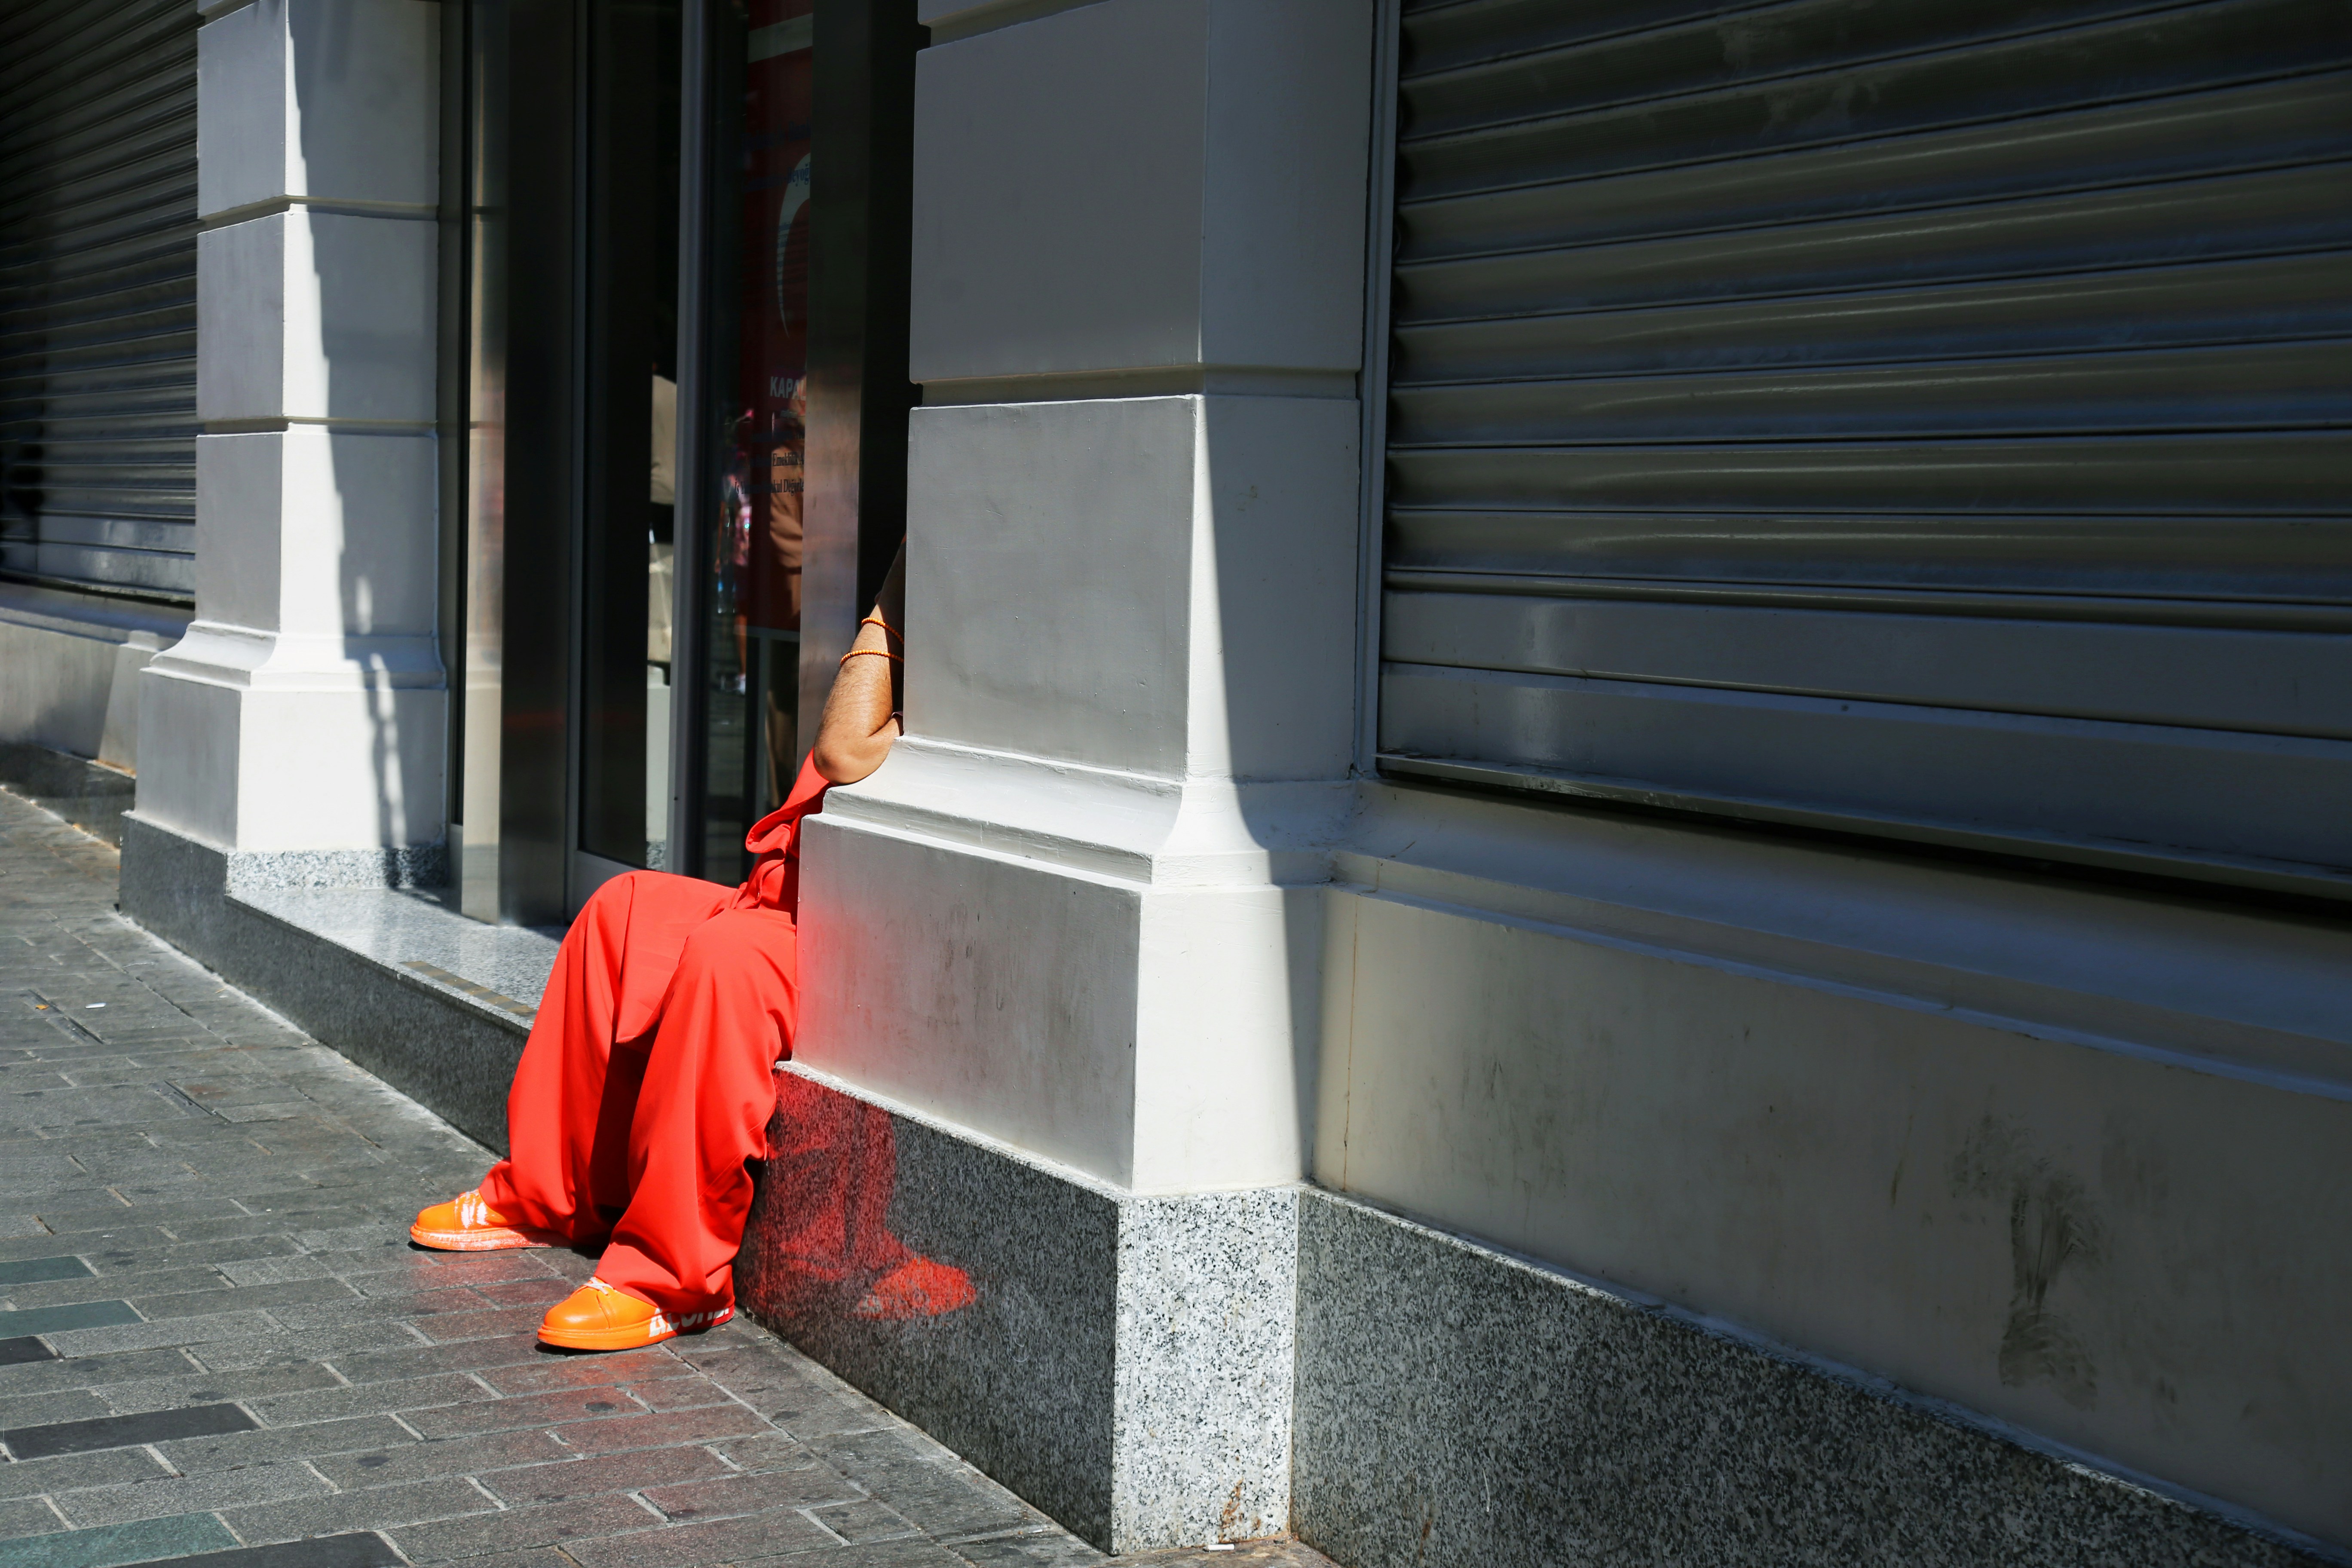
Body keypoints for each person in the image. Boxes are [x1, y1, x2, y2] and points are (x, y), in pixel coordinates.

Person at [409, 547, 909, 1352]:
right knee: (625, 907)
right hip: (792, 897)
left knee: (728, 964)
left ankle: (674, 1278)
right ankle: (551, 1197)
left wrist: (893, 596)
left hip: (863, 931)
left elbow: (841, 755)